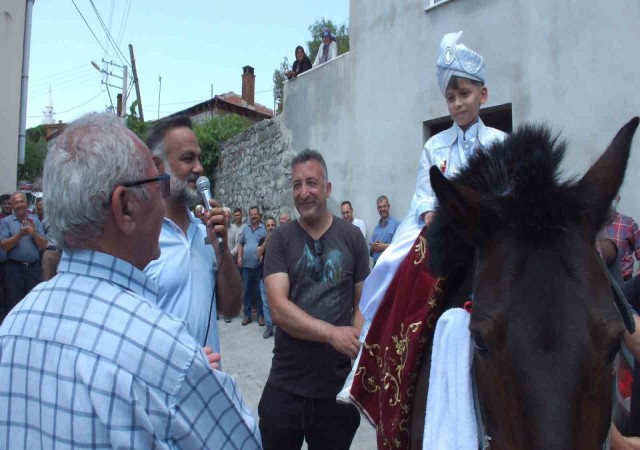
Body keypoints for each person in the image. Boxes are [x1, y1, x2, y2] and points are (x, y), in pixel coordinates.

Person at [0, 112, 261, 448]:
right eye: (154, 184)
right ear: (124, 206)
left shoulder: (11, 329)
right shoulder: (168, 355)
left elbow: (231, 305)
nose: (199, 168)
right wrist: (190, 370)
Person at [358, 30, 507, 325]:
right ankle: (383, 333)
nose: (458, 104)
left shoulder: (500, 143)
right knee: (392, 264)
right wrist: (428, 211)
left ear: (483, 95)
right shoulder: (433, 145)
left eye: (465, 94)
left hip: (490, 232)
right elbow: (425, 192)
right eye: (451, 98)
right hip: (443, 230)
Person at [258, 149, 369, 450]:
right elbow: (279, 309)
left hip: (335, 391)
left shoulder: (353, 238)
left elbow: (363, 303)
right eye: (296, 185)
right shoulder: (280, 239)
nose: (303, 193)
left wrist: (354, 343)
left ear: (327, 188)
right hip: (286, 383)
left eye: (311, 183)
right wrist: (332, 334)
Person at [144, 115, 243, 360]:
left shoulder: (203, 233)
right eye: (188, 159)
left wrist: (221, 250)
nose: (199, 168)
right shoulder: (140, 241)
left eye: (198, 158)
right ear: (158, 167)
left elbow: (231, 307)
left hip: (208, 388)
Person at [0, 191, 47, 311]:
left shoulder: (35, 220)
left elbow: (43, 245)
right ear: (12, 206)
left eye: (22, 201)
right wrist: (20, 235)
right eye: (16, 202)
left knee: (33, 304)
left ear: (26, 203)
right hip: (14, 270)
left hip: (34, 269)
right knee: (13, 305)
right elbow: (4, 246)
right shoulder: (6, 222)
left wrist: (33, 232)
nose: (19, 205)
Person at [238, 206, 267, 326]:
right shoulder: (246, 228)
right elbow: (240, 244)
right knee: (247, 291)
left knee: (258, 292)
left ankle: (261, 315)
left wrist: (263, 256)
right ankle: (247, 315)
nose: (253, 216)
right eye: (252, 214)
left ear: (259, 215)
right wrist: (239, 257)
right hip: (245, 266)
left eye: (255, 214)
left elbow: (267, 246)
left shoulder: (264, 229)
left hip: (258, 267)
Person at [606, 195, 640, 281]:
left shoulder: (628, 223)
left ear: (618, 199)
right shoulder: (591, 225)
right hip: (598, 283)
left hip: (623, 282)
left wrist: (636, 282)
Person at [257, 216, 277, 338]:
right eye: (268, 226)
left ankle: (280, 328)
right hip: (264, 276)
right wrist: (266, 242)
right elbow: (257, 254)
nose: (270, 228)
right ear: (265, 228)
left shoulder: (281, 239)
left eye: (272, 225)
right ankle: (269, 327)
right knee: (266, 303)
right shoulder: (262, 240)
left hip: (278, 278)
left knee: (278, 303)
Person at [369, 195, 399, 265]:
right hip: (376, 266)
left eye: (384, 206)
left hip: (390, 265)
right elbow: (370, 252)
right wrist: (372, 248)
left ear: (389, 207)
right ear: (377, 209)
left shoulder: (397, 224)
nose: (382, 209)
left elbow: (400, 245)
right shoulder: (376, 229)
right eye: (380, 207)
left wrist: (385, 247)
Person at [40, 198, 62, 281]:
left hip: (64, 254)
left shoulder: (68, 220)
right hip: (50, 252)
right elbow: (42, 234)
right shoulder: (46, 220)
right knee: (47, 280)